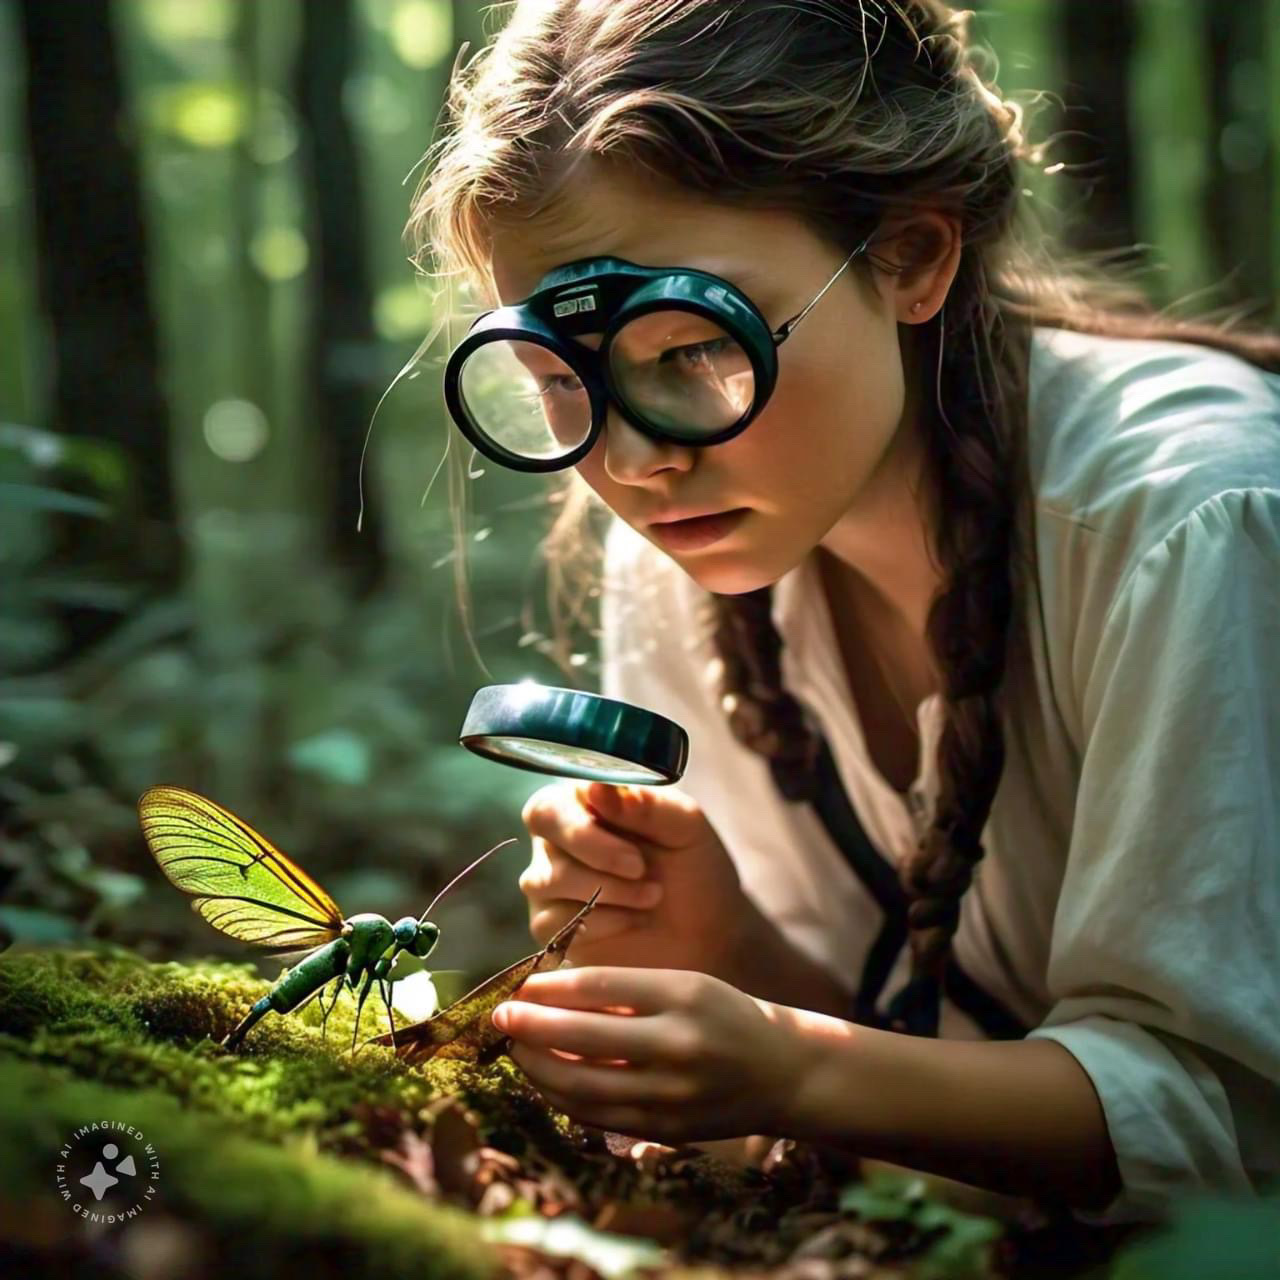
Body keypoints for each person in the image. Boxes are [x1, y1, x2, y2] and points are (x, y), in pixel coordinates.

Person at [410, 0, 1280, 1224]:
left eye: (694, 350)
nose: (632, 462)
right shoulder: (685, 551)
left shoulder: (1195, 519)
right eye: (558, 382)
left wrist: (796, 1067)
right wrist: (730, 952)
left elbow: (1234, 1131)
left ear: (913, 256)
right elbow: (913, 1074)